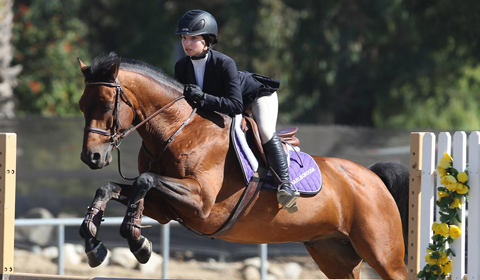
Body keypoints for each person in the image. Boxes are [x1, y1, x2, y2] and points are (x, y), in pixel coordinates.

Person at [174, 10, 299, 213]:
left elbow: (234, 106)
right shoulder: (181, 66)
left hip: (256, 97)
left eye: (193, 38)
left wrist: (203, 97)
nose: (187, 43)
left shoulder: (225, 63)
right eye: (184, 38)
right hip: (225, 103)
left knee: (266, 131)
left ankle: (286, 186)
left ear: (207, 40)